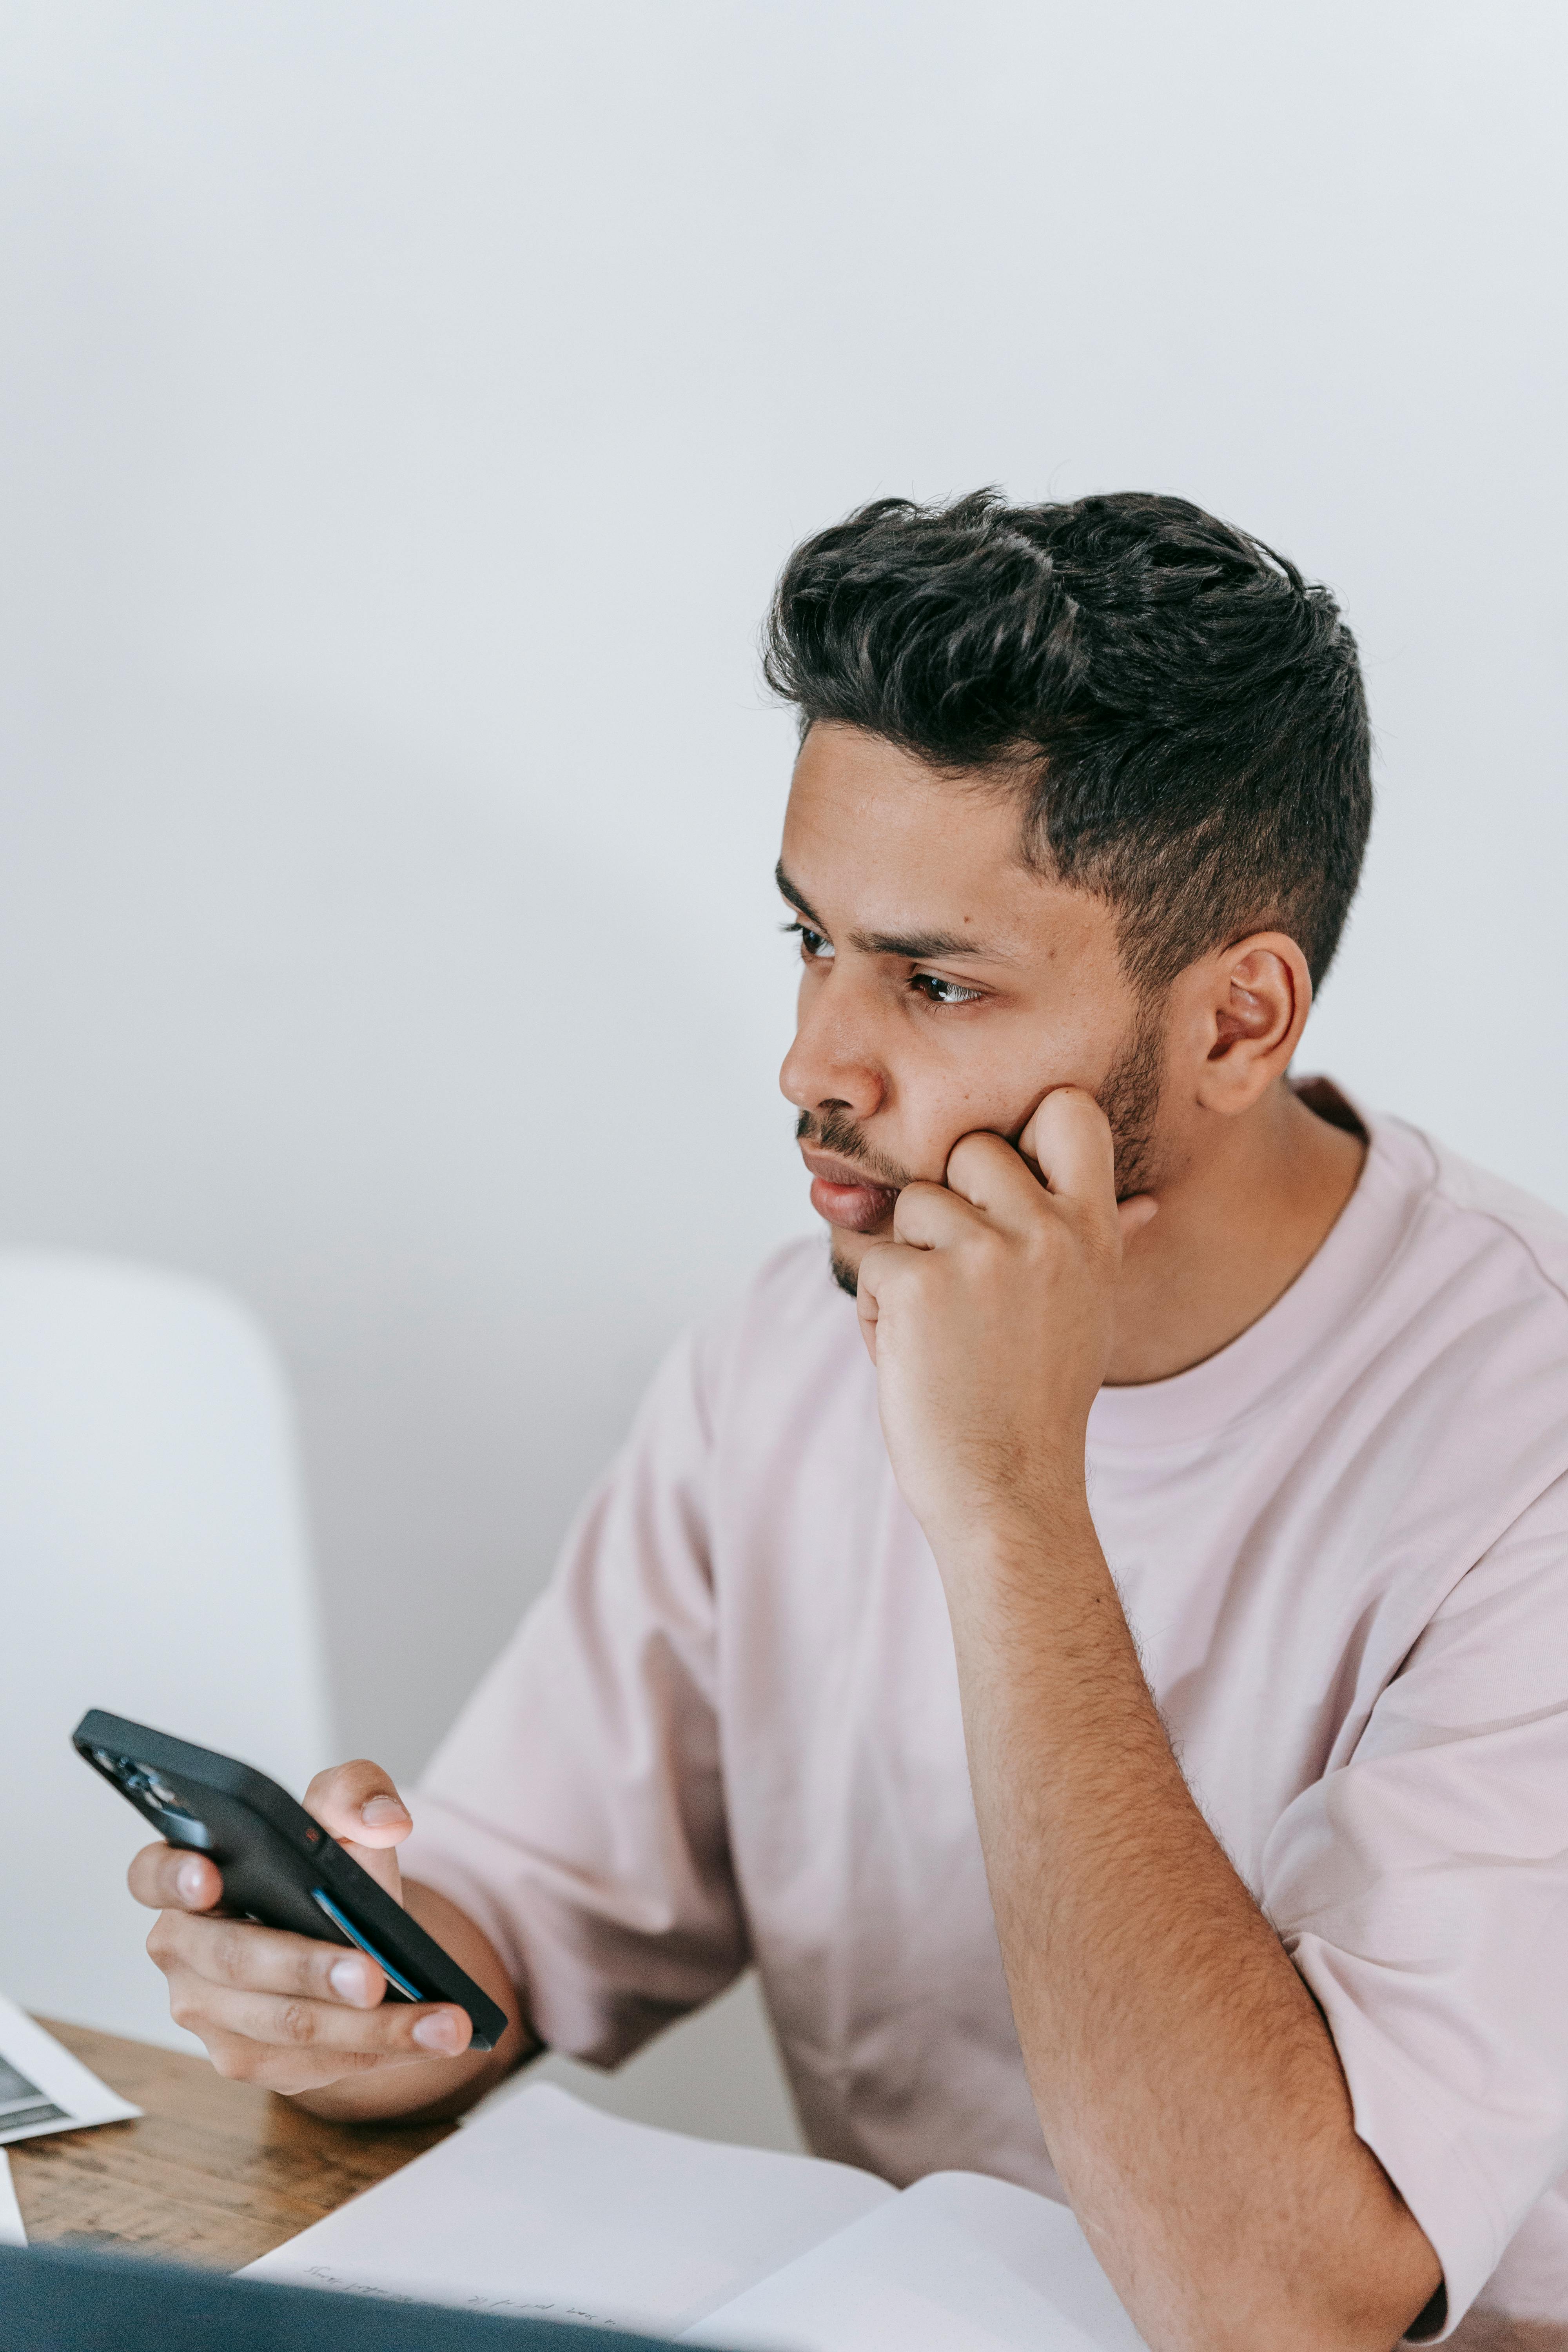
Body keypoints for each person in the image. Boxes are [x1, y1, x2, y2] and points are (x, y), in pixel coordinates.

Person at [131, 492, 1568, 2352]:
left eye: (935, 982)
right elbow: (506, 1924)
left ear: (1236, 1023)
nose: (812, 1064)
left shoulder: (1522, 1447)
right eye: (809, 940)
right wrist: (349, 1993)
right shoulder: (788, 1348)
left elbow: (1286, 2306)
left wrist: (1011, 1508)